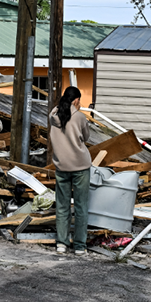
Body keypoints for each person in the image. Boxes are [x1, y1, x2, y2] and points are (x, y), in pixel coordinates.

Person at [50, 85, 91, 255]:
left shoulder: (53, 116)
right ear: (76, 100)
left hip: (62, 166)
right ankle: (80, 246)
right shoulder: (80, 117)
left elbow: (57, 110)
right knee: (81, 206)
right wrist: (76, 110)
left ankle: (61, 243)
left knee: (62, 206)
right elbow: (86, 137)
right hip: (80, 166)